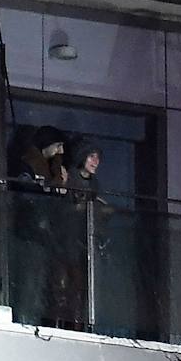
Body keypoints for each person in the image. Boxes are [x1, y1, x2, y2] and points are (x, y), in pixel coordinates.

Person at [9, 125, 68, 325]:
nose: (60, 151)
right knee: (29, 282)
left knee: (40, 283)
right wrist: (51, 192)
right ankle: (25, 321)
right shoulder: (28, 165)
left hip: (43, 236)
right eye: (58, 145)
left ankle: (34, 321)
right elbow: (25, 192)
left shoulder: (51, 168)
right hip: (28, 234)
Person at [50, 140, 104, 330]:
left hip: (81, 244)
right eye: (92, 156)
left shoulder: (94, 183)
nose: (96, 161)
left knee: (78, 290)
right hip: (63, 241)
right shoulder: (70, 176)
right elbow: (59, 208)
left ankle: (77, 327)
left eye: (98, 157)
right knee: (61, 288)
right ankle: (56, 326)